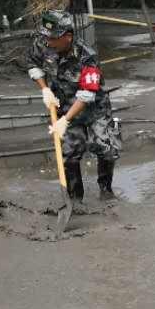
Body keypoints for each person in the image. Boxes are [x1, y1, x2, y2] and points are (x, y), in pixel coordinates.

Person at [27, 10, 122, 204]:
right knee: (69, 152)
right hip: (63, 102)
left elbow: (87, 94)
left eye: (53, 38)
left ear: (67, 37)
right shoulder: (42, 44)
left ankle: (106, 189)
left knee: (105, 147)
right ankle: (75, 198)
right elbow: (32, 63)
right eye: (45, 36)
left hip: (95, 107)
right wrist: (45, 90)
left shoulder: (88, 56)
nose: (48, 42)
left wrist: (65, 120)